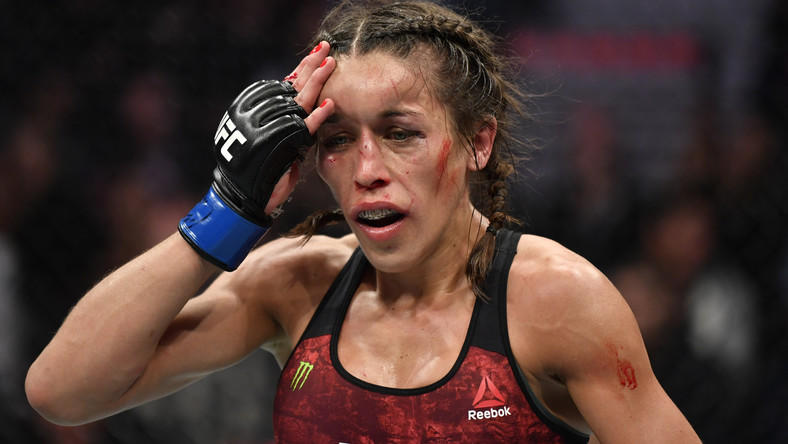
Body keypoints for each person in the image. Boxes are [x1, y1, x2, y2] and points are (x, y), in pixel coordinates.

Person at [25, 1, 701, 442]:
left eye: (401, 133)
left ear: (478, 142)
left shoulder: (554, 300)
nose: (367, 168)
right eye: (338, 139)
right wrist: (228, 210)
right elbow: (61, 390)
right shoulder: (295, 283)